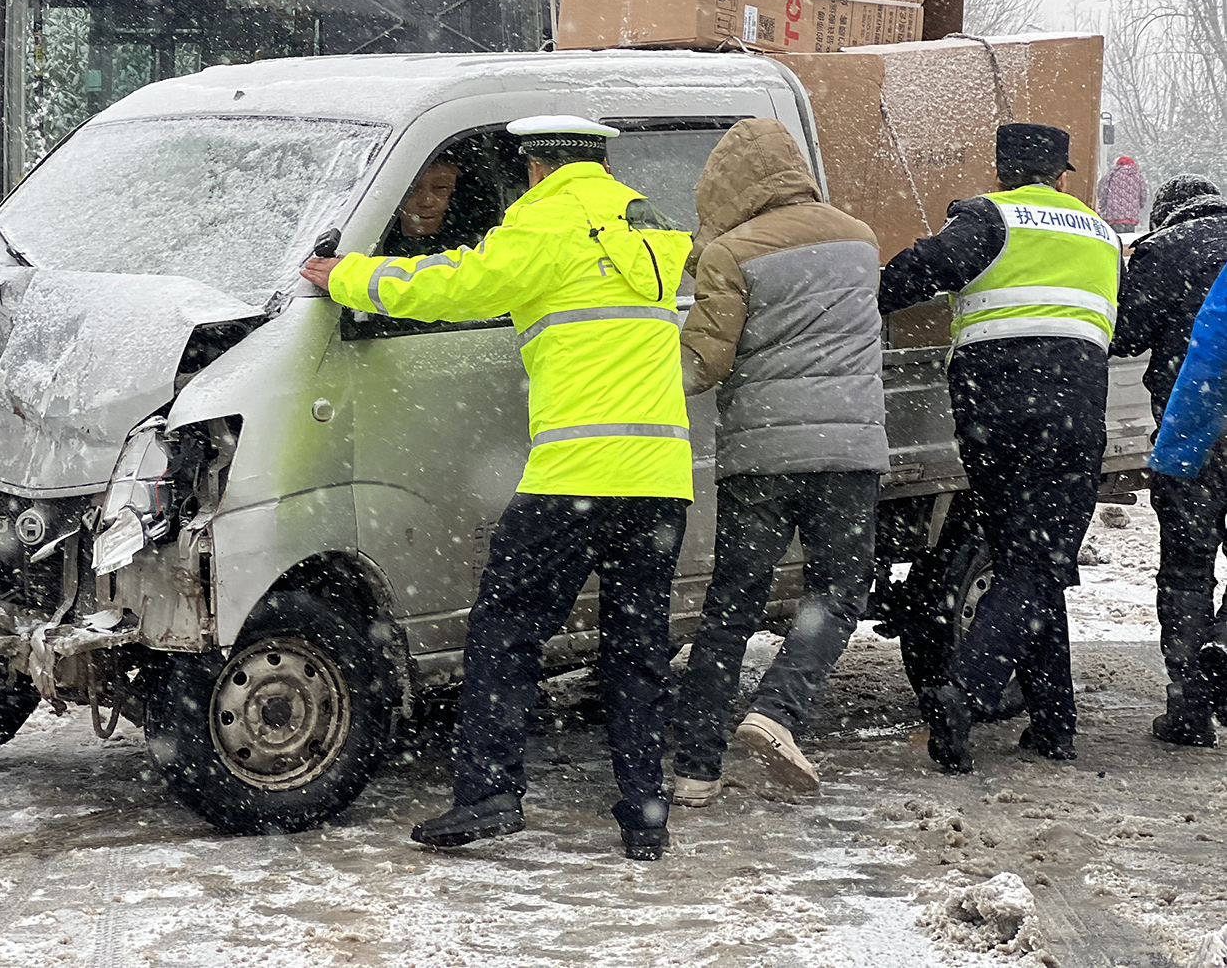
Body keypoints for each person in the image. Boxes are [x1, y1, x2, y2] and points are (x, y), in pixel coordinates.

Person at [301, 115, 693, 860]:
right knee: (636, 647)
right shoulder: (652, 226)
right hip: (660, 477)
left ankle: (489, 794)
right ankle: (645, 814)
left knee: (505, 631)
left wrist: (345, 275)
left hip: (575, 474)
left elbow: (452, 285)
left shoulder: (540, 224)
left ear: (538, 170)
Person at [879, 122, 1121, 773]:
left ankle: (1054, 724)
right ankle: (968, 689)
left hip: (991, 417)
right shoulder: (1101, 234)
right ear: (1063, 177)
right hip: (1070, 416)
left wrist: (875, 297)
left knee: (1027, 562)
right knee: (1037, 566)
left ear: (1001, 170)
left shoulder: (991, 217)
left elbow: (916, 271)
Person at [668, 119, 887, 806]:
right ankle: (779, 709)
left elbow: (703, 363)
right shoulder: (859, 237)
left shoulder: (729, 253)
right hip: (848, 454)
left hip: (760, 456)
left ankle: (695, 772)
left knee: (730, 609)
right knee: (839, 590)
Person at [1142, 257, 1227, 744]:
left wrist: (1181, 445)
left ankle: (1189, 701)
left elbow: (1211, 347)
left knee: (1187, 570)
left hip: (1215, 434)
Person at [1097, 154, 1148, 233]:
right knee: (1128, 239)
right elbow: (1143, 193)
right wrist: (1140, 205)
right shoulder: (1138, 175)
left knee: (1116, 238)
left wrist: (1102, 206)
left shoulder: (1112, 174)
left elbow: (1104, 191)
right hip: (1131, 215)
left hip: (1114, 214)